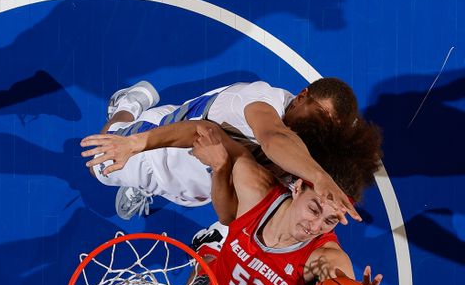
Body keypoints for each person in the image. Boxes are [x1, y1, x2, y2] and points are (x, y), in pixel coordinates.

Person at [180, 117, 386, 285]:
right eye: (314, 209)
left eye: (330, 221)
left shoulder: (324, 257)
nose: (316, 226)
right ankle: (210, 248)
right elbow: (208, 131)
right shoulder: (256, 187)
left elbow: (336, 274)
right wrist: (137, 143)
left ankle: (220, 243)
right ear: (297, 188)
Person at [80, 78, 360, 222]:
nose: (320, 128)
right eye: (320, 116)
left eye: (329, 128)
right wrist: (321, 177)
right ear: (302, 96)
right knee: (97, 165)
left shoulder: (304, 153)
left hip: (199, 188)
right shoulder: (260, 99)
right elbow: (274, 138)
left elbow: (233, 212)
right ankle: (127, 106)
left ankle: (147, 188)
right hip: (158, 148)